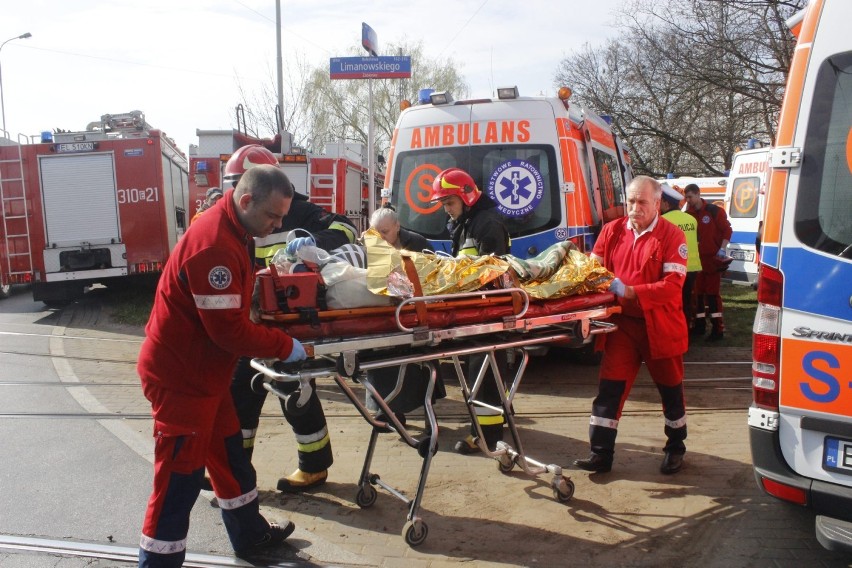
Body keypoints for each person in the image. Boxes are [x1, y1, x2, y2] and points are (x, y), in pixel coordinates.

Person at [137, 164, 305, 567]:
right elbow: (227, 332)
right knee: (179, 482)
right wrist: (286, 346)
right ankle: (156, 562)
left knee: (231, 459)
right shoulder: (215, 244)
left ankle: (250, 536)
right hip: (182, 381)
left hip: (206, 378)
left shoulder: (235, 229)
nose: (278, 224)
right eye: (273, 216)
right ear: (246, 200)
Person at [222, 144, 359, 495]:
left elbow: (345, 229)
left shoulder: (296, 210)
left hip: (286, 325)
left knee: (295, 394)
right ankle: (233, 469)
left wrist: (311, 245)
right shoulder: (236, 221)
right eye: (234, 185)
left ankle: (314, 467)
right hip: (249, 324)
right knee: (239, 396)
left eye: (241, 184)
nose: (237, 195)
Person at [573, 175, 688, 475]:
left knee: (670, 389)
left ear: (658, 204)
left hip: (659, 324)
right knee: (610, 388)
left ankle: (676, 447)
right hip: (622, 325)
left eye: (642, 202)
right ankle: (600, 454)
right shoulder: (612, 231)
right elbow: (592, 270)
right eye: (630, 201)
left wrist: (632, 291)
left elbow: (673, 286)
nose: (634, 208)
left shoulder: (673, 236)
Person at [430, 167, 511, 455]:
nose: (446, 211)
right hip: (473, 313)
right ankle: (481, 429)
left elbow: (491, 271)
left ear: (466, 197)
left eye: (449, 203)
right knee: (477, 374)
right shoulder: (466, 222)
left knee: (486, 374)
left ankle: (487, 438)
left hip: (487, 314)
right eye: (443, 205)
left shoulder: (486, 224)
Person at [363, 206, 439, 428]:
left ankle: (429, 415)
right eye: (376, 232)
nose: (381, 237)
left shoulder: (417, 243)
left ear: (397, 227)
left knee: (422, 365)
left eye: (385, 232)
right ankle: (387, 413)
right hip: (384, 314)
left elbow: (432, 274)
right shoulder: (369, 243)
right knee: (382, 364)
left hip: (415, 312)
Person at [682, 183, 733, 341]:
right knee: (698, 295)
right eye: (686, 197)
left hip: (712, 260)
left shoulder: (714, 211)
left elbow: (727, 230)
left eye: (690, 197)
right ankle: (699, 325)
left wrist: (722, 249)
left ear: (698, 194)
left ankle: (718, 328)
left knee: (712, 295)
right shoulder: (688, 214)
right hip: (697, 261)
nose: (688, 200)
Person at [659, 183, 700, 335]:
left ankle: (674, 332)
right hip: (692, 268)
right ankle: (686, 332)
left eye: (660, 202)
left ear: (665, 203)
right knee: (687, 302)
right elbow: (697, 242)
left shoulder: (662, 221)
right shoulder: (691, 220)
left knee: (672, 303)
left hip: (673, 270)